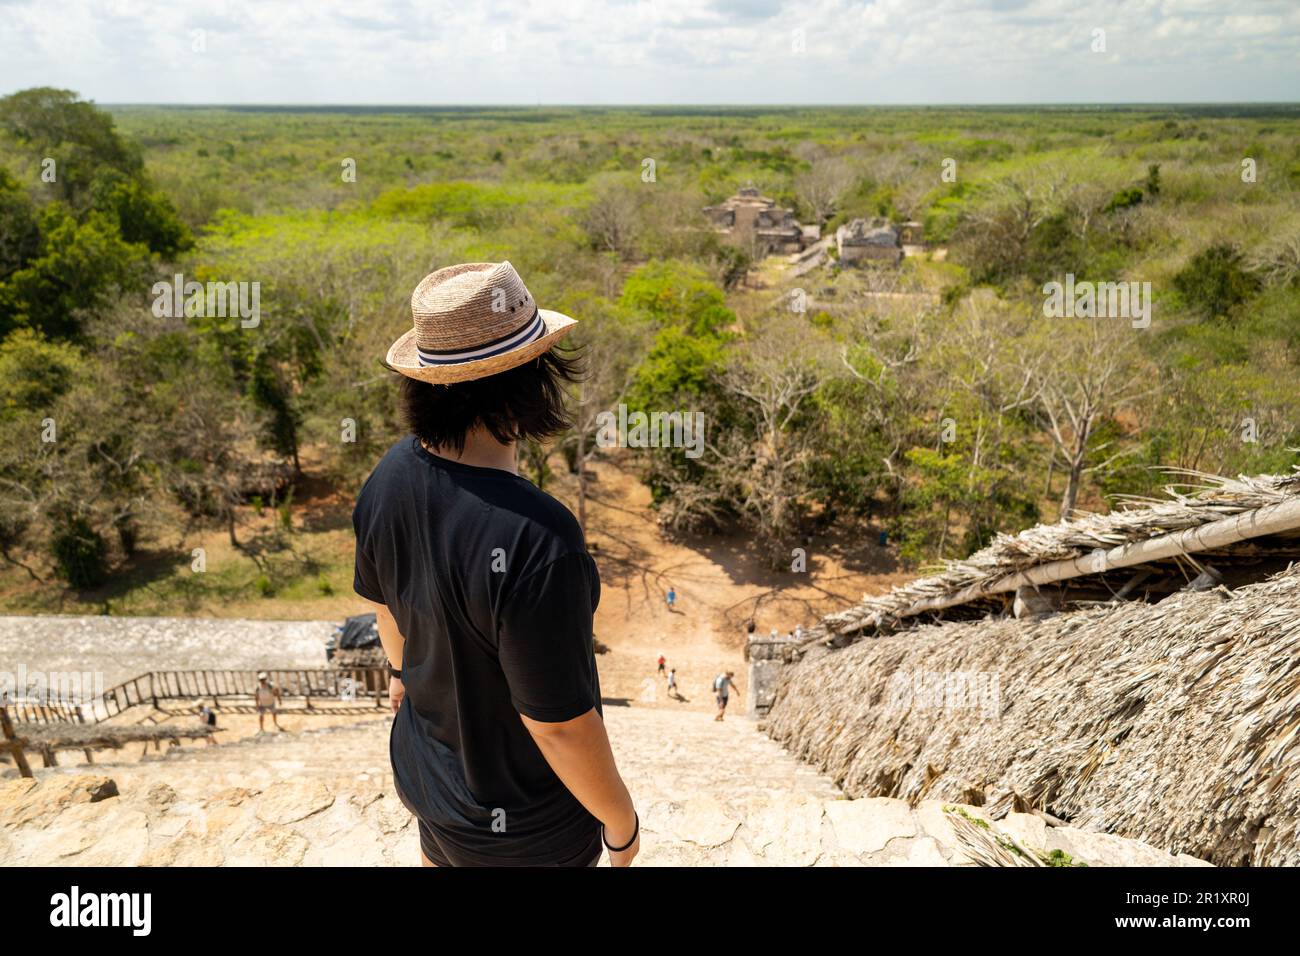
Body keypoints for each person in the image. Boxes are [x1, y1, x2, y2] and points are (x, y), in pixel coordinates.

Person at [353, 261, 639, 868]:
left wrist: (412, 678)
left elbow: (386, 615)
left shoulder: (387, 477)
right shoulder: (540, 537)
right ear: (529, 385)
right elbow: (558, 725)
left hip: (431, 786)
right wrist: (621, 823)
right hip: (527, 830)